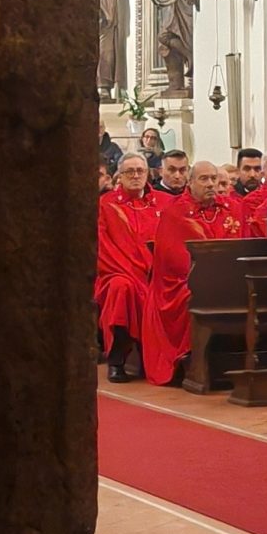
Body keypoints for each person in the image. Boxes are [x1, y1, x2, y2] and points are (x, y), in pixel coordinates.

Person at [95, 155, 187, 384]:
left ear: (148, 174)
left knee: (180, 292)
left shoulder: (167, 203)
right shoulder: (105, 205)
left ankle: (172, 360)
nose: (135, 176)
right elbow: (103, 248)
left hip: (160, 274)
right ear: (119, 175)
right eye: (130, 172)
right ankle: (117, 360)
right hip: (120, 272)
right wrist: (134, 273)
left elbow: (176, 242)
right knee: (121, 289)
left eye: (140, 171)